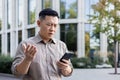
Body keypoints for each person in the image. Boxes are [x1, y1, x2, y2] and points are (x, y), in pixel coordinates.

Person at [11, 8, 73, 80]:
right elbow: (17, 73)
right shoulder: (26, 44)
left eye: (55, 25)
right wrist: (27, 60)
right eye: (49, 25)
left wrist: (66, 68)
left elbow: (68, 73)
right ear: (39, 23)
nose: (52, 29)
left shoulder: (61, 45)